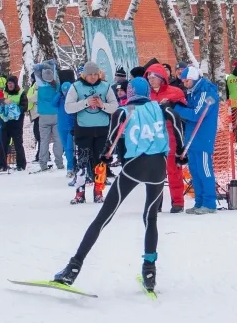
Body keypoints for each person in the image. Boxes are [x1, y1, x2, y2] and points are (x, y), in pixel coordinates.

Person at [52, 77, 185, 293]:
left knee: (103, 217)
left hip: (135, 165)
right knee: (150, 218)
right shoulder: (160, 108)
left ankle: (73, 268)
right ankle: (149, 272)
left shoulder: (125, 111)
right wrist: (180, 151)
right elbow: (176, 121)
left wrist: (105, 155)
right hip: (158, 167)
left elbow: (112, 137)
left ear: (131, 92)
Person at [65, 61, 118, 203]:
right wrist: (86, 102)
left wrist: (102, 105)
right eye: (90, 74)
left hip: (102, 129)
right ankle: (79, 193)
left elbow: (114, 106)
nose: (93, 77)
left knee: (100, 163)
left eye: (96, 74)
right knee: (82, 163)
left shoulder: (106, 86)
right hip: (82, 130)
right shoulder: (76, 87)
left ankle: (98, 192)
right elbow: (68, 107)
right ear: (84, 75)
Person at [175, 66, 221, 214]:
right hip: (193, 137)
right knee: (194, 170)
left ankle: (209, 202)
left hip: (202, 137)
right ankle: (199, 201)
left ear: (194, 79)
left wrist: (177, 109)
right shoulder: (193, 92)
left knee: (204, 169)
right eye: (183, 81)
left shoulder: (205, 92)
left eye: (187, 81)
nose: (184, 84)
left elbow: (196, 114)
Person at [145, 63, 188, 212]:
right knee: (154, 172)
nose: (151, 79)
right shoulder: (145, 93)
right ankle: (156, 202)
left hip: (170, 136)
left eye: (154, 76)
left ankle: (178, 202)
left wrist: (171, 106)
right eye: (149, 76)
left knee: (173, 170)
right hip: (151, 137)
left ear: (162, 77)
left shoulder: (175, 91)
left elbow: (184, 111)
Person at [33, 59, 66, 171]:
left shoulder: (40, 84)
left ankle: (43, 163)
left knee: (44, 140)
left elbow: (36, 68)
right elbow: (54, 69)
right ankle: (59, 162)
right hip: (56, 115)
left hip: (43, 116)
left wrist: (44, 65)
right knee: (58, 140)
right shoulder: (57, 85)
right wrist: (52, 64)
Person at [0, 75, 28, 171]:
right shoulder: (4, 93)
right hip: (5, 122)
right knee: (3, 143)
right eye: (8, 83)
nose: (9, 85)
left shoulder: (21, 93)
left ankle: (21, 164)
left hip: (16, 123)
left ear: (15, 84)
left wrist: (16, 109)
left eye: (11, 83)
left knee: (18, 144)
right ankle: (2, 164)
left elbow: (25, 106)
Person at [57, 68, 78, 174]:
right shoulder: (60, 96)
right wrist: (59, 92)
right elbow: (53, 104)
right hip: (61, 125)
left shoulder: (74, 95)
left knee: (70, 147)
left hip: (71, 125)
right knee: (66, 147)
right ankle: (70, 167)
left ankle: (72, 166)